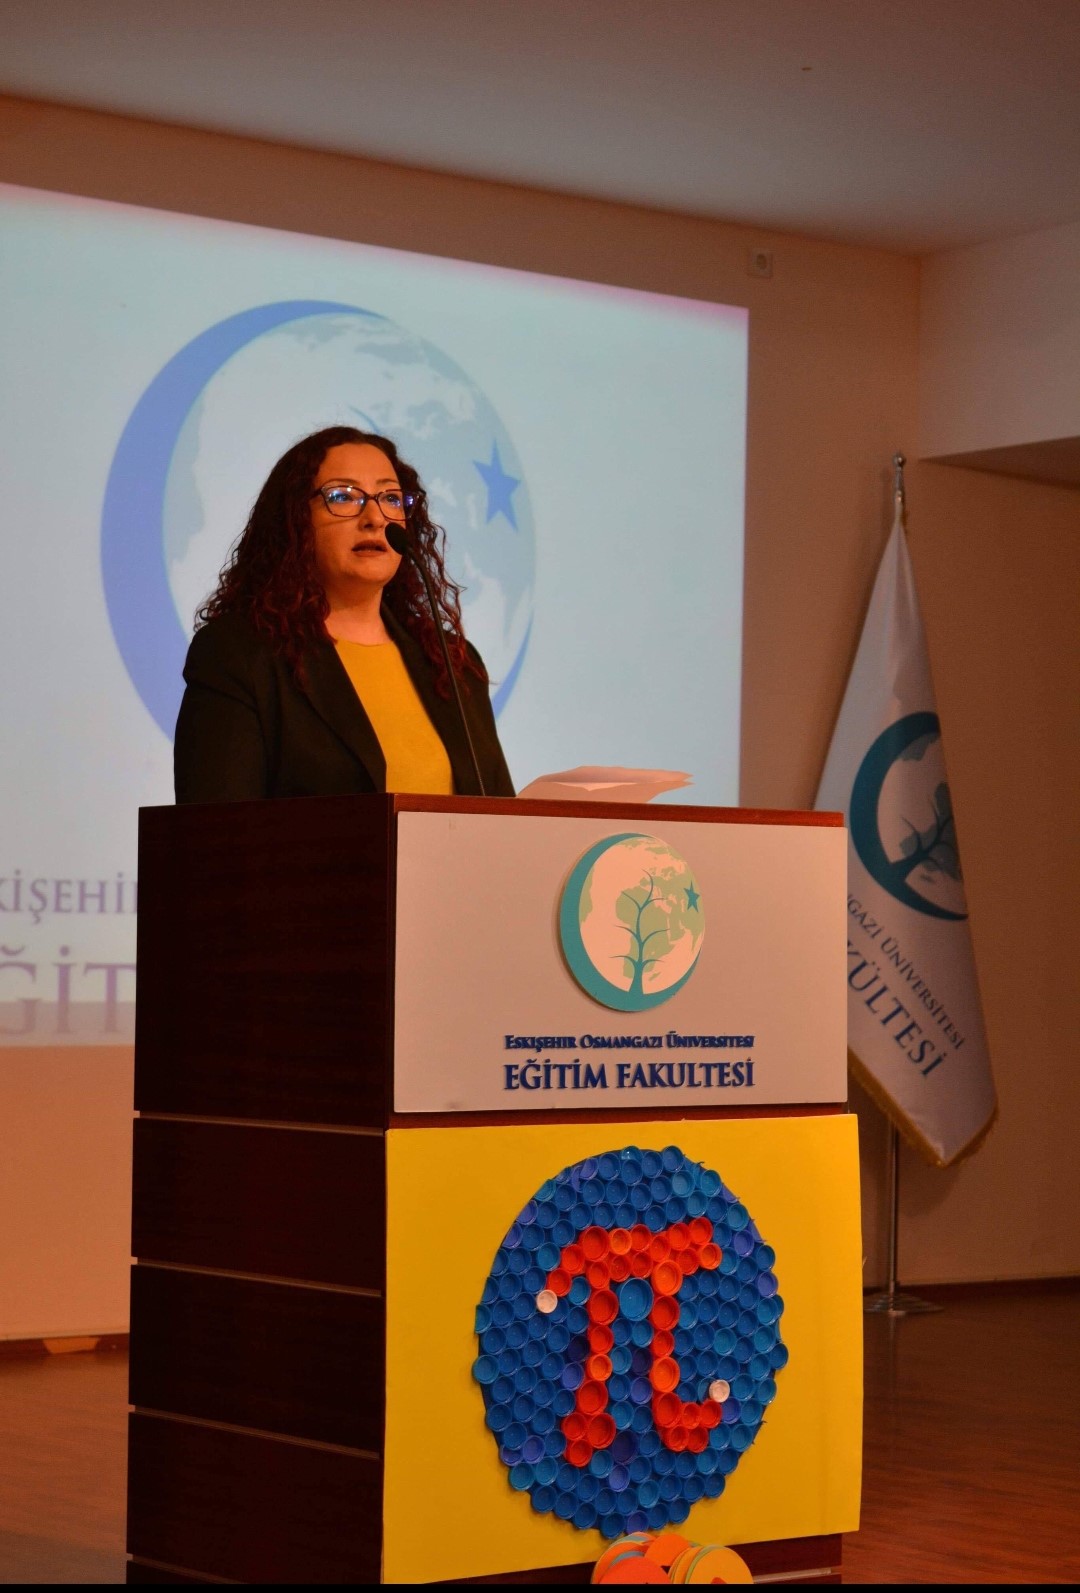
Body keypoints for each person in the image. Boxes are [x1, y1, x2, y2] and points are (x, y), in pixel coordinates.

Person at [174, 425, 515, 803]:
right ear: (295, 522)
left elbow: (499, 816)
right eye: (343, 496)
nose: (375, 518)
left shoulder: (451, 662)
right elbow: (215, 825)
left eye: (391, 498)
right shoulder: (239, 654)